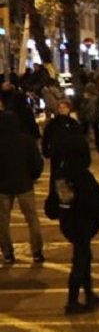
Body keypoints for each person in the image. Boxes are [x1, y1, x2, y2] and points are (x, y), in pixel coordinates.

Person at [44, 135, 99, 314]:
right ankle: (72, 301)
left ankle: (89, 294)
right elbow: (93, 199)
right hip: (81, 222)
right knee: (81, 260)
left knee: (84, 256)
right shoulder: (81, 174)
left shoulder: (61, 173)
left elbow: (57, 199)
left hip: (69, 221)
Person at [0, 109, 46, 265]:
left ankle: (7, 253)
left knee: (3, 221)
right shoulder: (26, 141)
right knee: (32, 219)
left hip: (3, 186)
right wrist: (32, 177)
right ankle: (37, 252)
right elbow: (37, 163)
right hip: (24, 184)